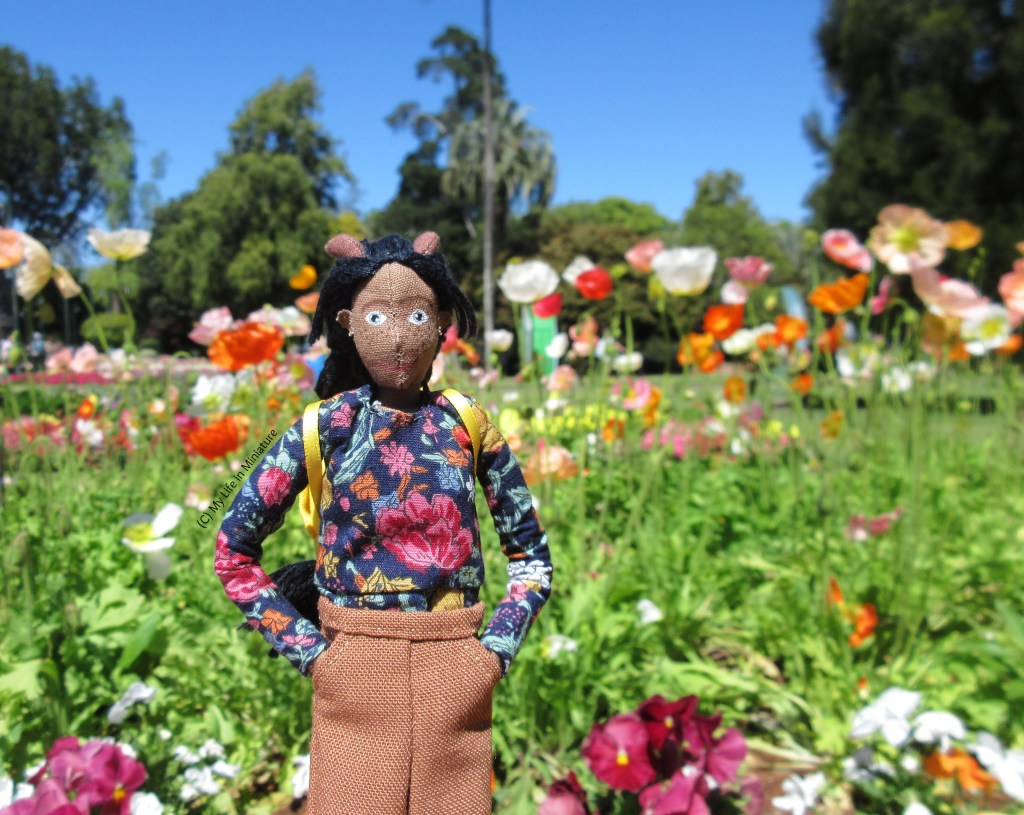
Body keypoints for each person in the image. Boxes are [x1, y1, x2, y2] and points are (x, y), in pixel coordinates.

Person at [214, 232, 552, 815]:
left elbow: (531, 555)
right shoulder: (320, 425)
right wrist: (310, 652)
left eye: (418, 314)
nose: (398, 334)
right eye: (376, 315)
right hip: (352, 663)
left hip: (457, 662)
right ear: (347, 322)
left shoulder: (466, 421)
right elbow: (231, 546)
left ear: (443, 321)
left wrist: (494, 648)